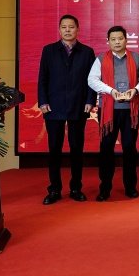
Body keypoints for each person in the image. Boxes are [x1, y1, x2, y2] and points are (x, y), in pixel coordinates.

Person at [38, 14, 96, 205]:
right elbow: (43, 78)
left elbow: (92, 79)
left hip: (78, 105)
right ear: (59, 29)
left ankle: (76, 188)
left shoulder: (87, 52)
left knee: (76, 149)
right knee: (54, 149)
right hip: (53, 106)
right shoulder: (49, 50)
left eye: (71, 27)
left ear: (77, 29)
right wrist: (43, 101)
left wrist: (90, 100)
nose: (68, 30)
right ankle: (54, 189)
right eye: (64, 27)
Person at [88, 25, 139, 201]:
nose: (117, 42)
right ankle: (105, 188)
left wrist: (135, 90)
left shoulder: (137, 57)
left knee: (129, 149)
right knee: (106, 149)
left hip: (130, 111)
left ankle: (130, 187)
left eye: (120, 38)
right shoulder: (100, 59)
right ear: (108, 41)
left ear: (126, 40)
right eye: (113, 39)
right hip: (108, 112)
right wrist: (111, 91)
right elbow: (91, 80)